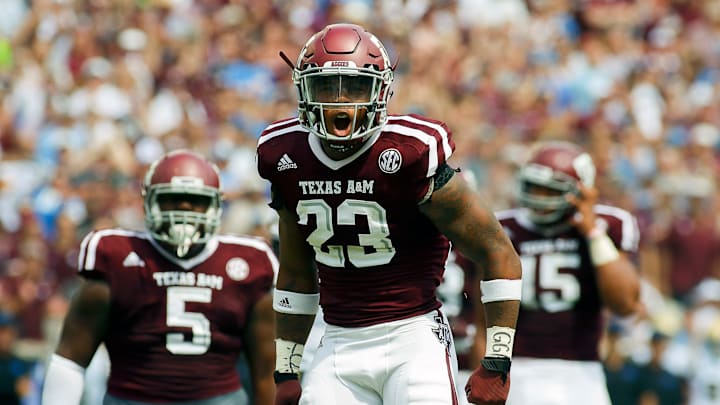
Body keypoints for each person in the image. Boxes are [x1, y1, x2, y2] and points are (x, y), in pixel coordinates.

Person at [256, 23, 522, 405]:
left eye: (355, 87)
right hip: (337, 342)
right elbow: (297, 274)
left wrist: (497, 360)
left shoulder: (410, 150)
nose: (340, 103)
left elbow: (498, 252)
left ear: (381, 90)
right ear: (303, 89)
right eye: (328, 87)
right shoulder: (284, 155)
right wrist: (287, 368)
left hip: (412, 339)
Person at [41, 150, 278, 405]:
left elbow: (266, 372)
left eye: (195, 201)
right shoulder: (118, 257)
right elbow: (70, 360)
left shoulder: (249, 263)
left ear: (215, 206)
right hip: (133, 399)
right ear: (149, 202)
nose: (185, 209)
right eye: (173, 199)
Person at [485, 140, 641, 405]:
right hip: (516, 366)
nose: (539, 197)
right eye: (534, 187)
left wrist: (592, 232)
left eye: (549, 190)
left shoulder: (609, 224)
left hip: (580, 369)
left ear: (581, 192)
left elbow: (625, 304)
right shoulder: (503, 227)